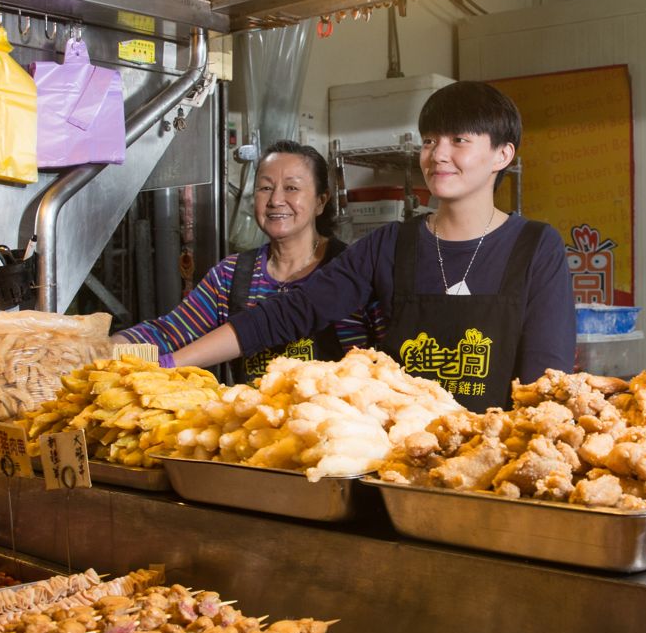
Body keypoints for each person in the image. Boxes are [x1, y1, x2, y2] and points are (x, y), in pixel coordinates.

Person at [159, 81, 576, 411]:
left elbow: (546, 380)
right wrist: (172, 363)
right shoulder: (390, 244)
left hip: (494, 462)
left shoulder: (535, 247)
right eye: (430, 140)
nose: (437, 155)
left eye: (459, 140)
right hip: (402, 459)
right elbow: (292, 312)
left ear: (502, 154)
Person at [116, 141, 383, 383]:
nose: (276, 200)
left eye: (291, 188)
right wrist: (110, 347)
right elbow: (169, 333)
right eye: (265, 188)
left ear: (320, 201)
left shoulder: (353, 272)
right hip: (253, 419)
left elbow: (389, 361)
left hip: (339, 420)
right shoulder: (231, 276)